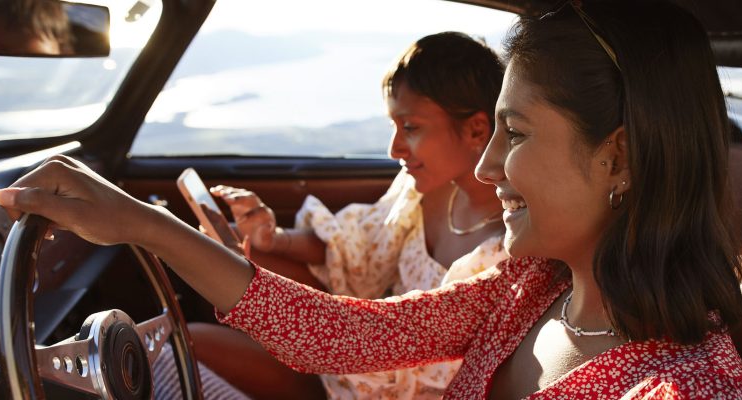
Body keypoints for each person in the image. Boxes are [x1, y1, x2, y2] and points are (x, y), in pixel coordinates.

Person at [0, 1, 742, 397]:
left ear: (618, 157)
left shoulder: (682, 390)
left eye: (516, 134)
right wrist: (142, 224)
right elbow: (338, 338)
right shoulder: (531, 291)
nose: (487, 164)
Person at [189, 31, 509, 399]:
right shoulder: (424, 191)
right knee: (193, 337)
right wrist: (272, 239)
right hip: (343, 361)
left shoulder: (506, 250)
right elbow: (355, 247)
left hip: (377, 375)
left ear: (476, 129)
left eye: (410, 127)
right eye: (392, 126)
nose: (394, 149)